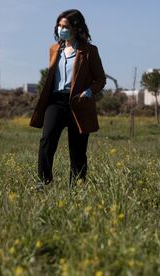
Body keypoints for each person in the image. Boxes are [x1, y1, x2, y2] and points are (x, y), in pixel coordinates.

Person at [30, 9, 106, 190]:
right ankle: (43, 183)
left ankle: (77, 187)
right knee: (47, 140)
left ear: (76, 28)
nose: (61, 29)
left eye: (65, 26)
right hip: (56, 101)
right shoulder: (55, 49)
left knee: (78, 150)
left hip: (78, 103)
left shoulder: (89, 51)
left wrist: (89, 91)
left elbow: (100, 79)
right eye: (59, 25)